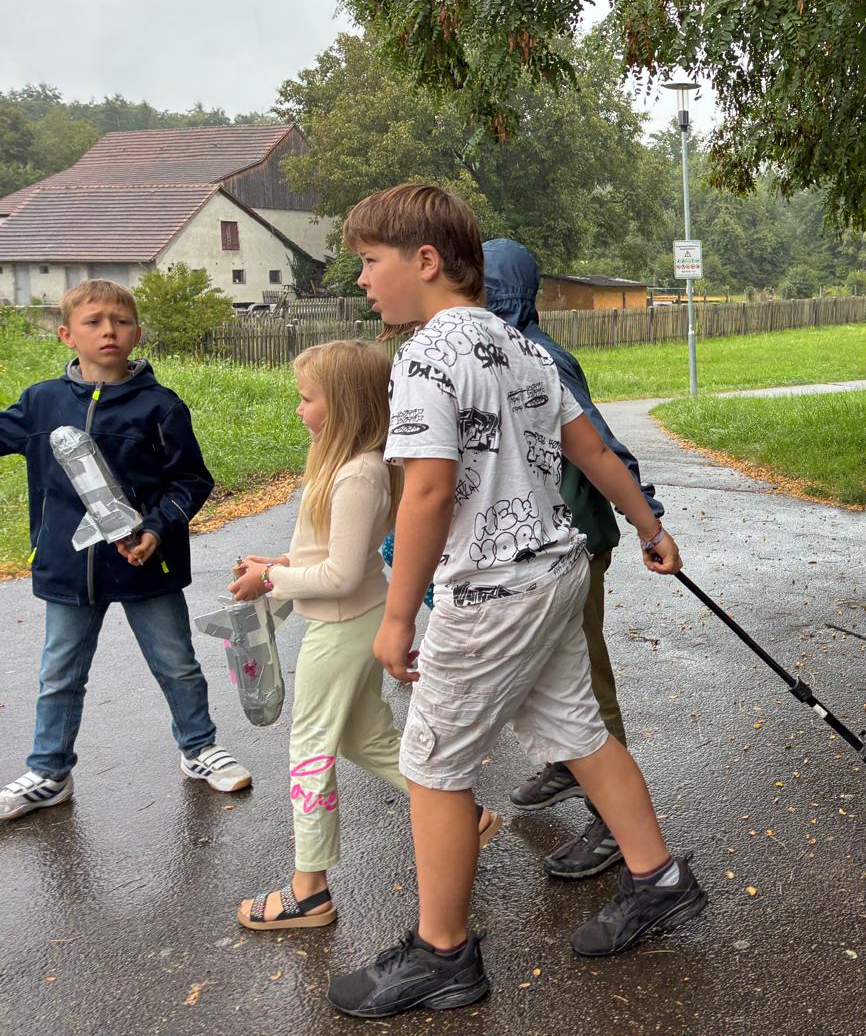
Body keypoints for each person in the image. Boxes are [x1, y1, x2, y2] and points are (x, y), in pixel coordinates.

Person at [328, 185, 704, 1019]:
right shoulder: (521, 346)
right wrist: (651, 527)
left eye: (370, 261)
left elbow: (428, 494)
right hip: (556, 573)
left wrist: (399, 614)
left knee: (432, 765)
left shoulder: (425, 357)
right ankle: (659, 879)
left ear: (426, 261)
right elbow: (593, 451)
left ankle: (443, 954)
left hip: (492, 592)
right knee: (578, 732)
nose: (362, 280)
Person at [227, 341, 501, 931]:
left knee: (310, 748)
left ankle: (309, 890)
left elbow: (340, 576)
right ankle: (464, 816)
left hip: (342, 627)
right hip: (355, 618)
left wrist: (270, 579)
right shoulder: (353, 466)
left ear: (345, 404)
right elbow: (335, 555)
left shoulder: (357, 475)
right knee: (363, 738)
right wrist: (279, 562)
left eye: (307, 399)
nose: (299, 409)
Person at [0, 279, 250, 821]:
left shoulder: (161, 406)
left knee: (177, 664)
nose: (108, 331)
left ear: (137, 332)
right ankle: (49, 772)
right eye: (93, 322)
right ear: (67, 334)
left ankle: (199, 748)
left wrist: (157, 529)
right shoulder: (41, 403)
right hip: (68, 568)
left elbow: (191, 481)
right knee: (59, 675)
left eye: (120, 321)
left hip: (146, 563)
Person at [483, 238, 663, 879]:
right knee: (551, 671)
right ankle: (568, 762)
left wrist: (648, 521)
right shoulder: (492, 353)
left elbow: (600, 446)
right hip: (530, 548)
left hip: (574, 542)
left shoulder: (539, 359)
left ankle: (614, 822)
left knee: (585, 677)